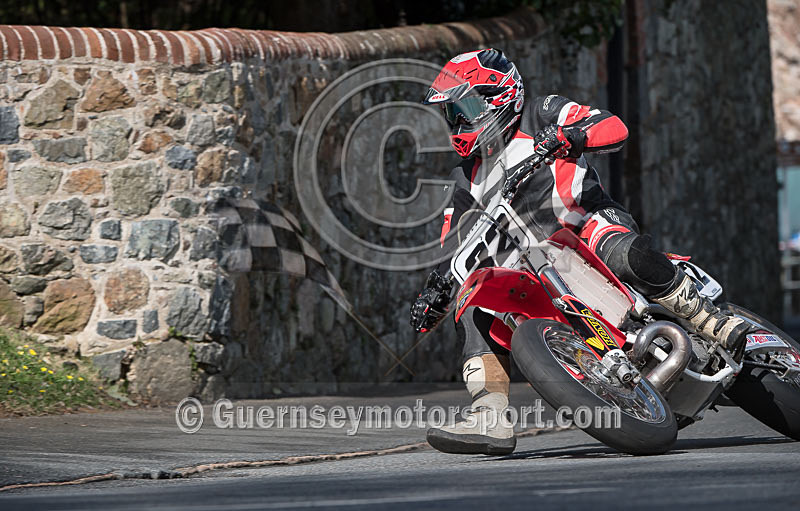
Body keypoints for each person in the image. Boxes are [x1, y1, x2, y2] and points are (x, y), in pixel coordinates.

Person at [409, 48, 752, 455]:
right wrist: (438, 290)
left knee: (618, 249)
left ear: (498, 95)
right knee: (475, 304)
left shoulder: (543, 113)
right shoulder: (463, 178)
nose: (457, 122)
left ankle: (710, 320)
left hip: (586, 224)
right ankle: (489, 414)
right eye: (451, 113)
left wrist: (571, 136)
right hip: (532, 265)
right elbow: (455, 244)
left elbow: (611, 126)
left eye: (464, 108)